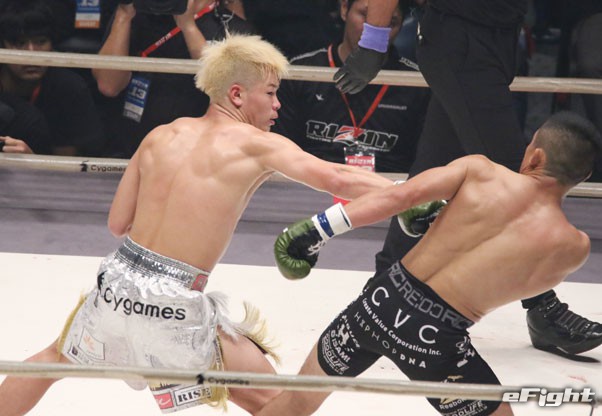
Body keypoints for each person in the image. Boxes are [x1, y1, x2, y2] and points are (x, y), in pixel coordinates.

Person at [0, 34, 392, 416]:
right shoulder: (258, 145)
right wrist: (412, 195)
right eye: (271, 92)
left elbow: (118, 224)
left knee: (51, 360)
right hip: (173, 302)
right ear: (236, 94)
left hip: (115, 284)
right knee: (279, 404)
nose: (278, 104)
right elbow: (338, 178)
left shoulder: (160, 135)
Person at [263, 111, 601, 416]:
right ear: (583, 176)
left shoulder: (479, 170)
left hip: (376, 305)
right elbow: (521, 285)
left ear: (536, 155)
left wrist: (318, 229)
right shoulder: (572, 246)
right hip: (434, 341)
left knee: (296, 403)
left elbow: (401, 197)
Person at [332, 0, 602, 356]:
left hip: (496, 36)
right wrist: (373, 41)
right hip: (461, 37)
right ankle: (543, 308)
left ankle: (380, 290)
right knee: (517, 178)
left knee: (433, 168)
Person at [273, 0, 429, 173]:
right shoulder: (301, 72)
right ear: (344, 9)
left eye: (391, 23)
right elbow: (279, 151)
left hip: (387, 182)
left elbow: (425, 162)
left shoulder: (417, 83)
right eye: (364, 15)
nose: (372, 30)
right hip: (311, 179)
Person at [93, 0, 255, 158]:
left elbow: (228, 93)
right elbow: (108, 85)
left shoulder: (234, 30)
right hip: (134, 149)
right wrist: (123, 16)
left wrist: (188, 26)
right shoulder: (136, 16)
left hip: (198, 157)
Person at [0, 0, 106, 156]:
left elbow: (65, 165)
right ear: (3, 46)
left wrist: (31, 162)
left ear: (52, 45)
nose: (31, 54)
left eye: (41, 42)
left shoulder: (70, 89)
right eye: (20, 43)